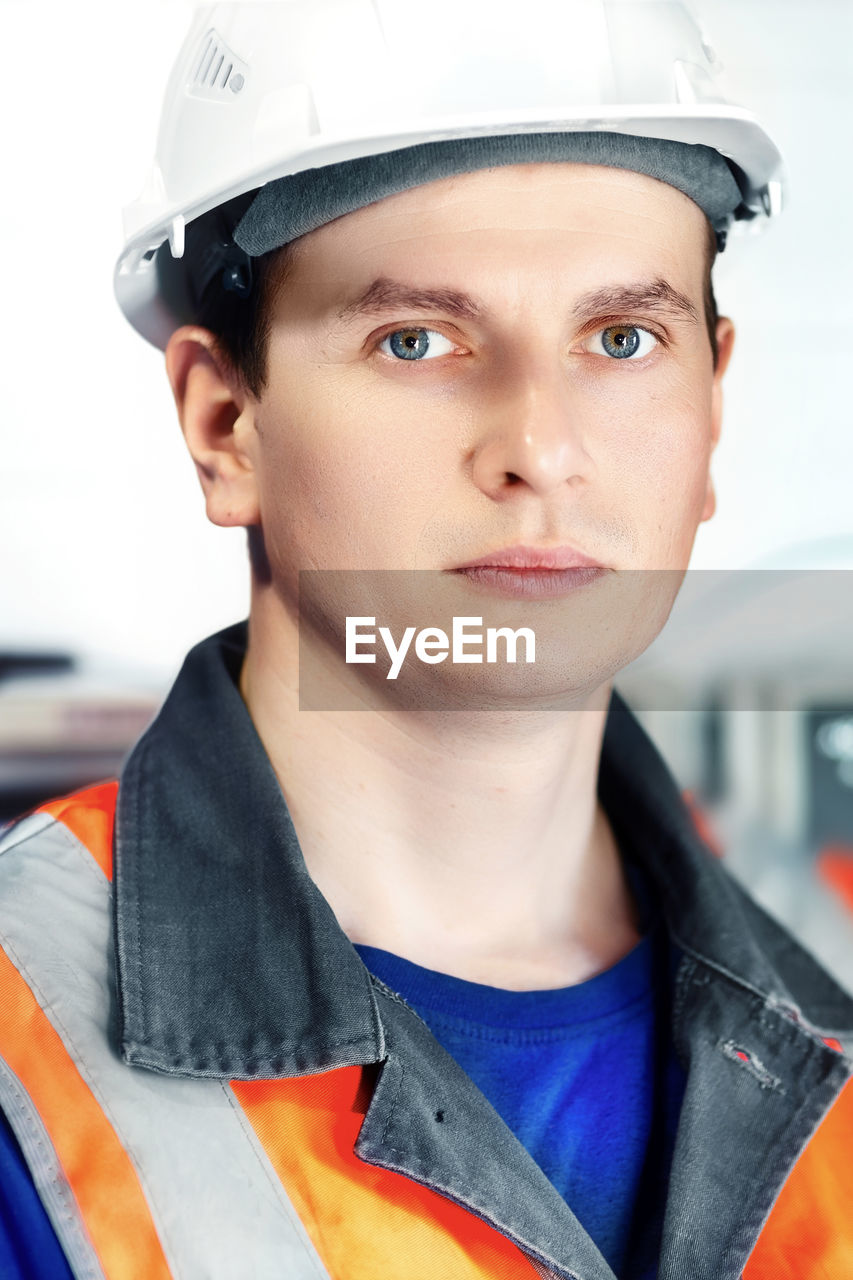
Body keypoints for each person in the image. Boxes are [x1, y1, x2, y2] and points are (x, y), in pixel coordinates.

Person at [1, 2, 851, 1277]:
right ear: (226, 423)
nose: (540, 448)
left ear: (712, 401)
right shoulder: (24, 1044)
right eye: (418, 340)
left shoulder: (829, 1005)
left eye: (621, 339)